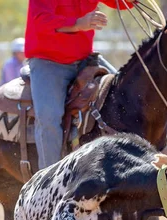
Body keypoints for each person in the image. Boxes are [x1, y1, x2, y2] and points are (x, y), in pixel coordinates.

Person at [25, 0, 135, 169]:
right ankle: (47, 182)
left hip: (85, 59)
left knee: (127, 95)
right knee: (49, 117)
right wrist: (77, 24)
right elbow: (40, 20)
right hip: (48, 62)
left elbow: (120, 3)